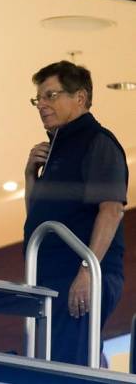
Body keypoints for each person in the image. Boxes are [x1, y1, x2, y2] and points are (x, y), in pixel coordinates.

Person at [23, 60, 128, 366]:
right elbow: (37, 218)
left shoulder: (98, 143)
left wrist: (86, 271)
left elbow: (111, 211)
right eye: (37, 99)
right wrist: (30, 175)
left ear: (79, 98)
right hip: (52, 276)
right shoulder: (56, 148)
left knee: (72, 361)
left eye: (50, 96)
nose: (41, 105)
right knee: (52, 361)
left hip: (80, 274)